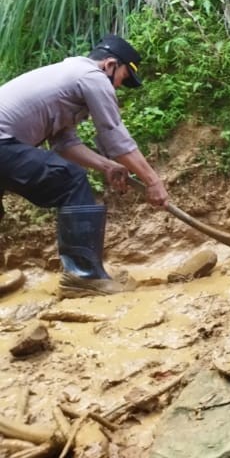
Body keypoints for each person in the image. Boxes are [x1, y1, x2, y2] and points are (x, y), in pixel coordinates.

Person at [0, 35, 169, 296]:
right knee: (71, 179)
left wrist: (107, 167)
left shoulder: (67, 77)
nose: (119, 86)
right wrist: (153, 181)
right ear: (110, 64)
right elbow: (114, 136)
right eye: (123, 78)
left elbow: (64, 144)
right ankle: (82, 277)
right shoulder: (92, 77)